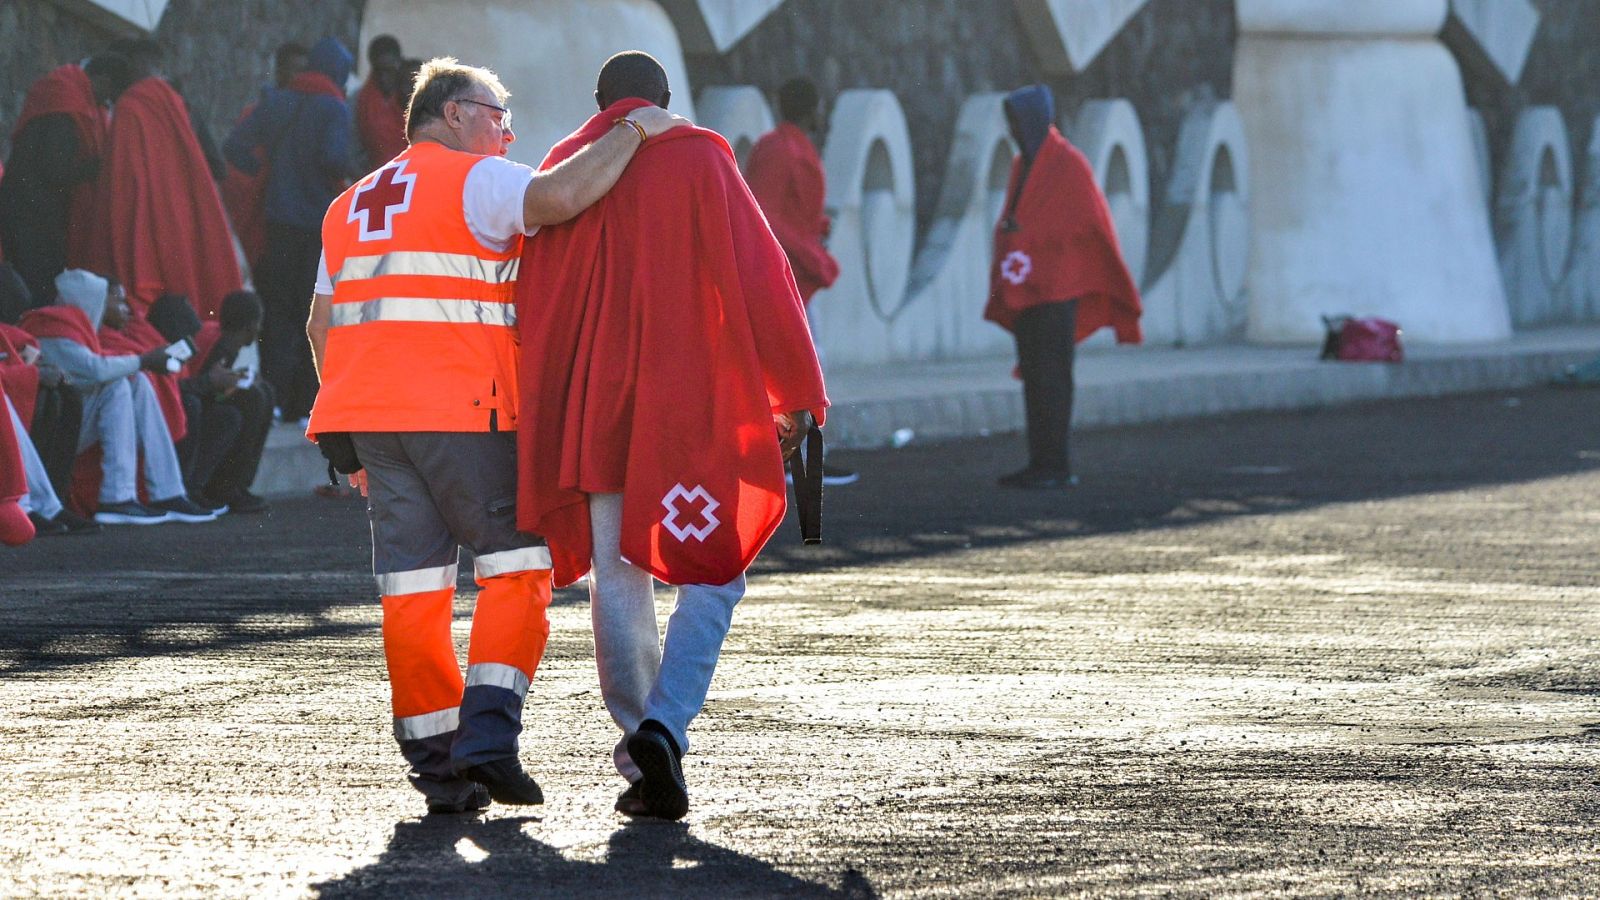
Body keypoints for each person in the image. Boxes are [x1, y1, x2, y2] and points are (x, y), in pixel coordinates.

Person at [304, 56, 689, 815]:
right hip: (463, 410)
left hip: (374, 423)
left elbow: (320, 324)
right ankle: (486, 740)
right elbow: (564, 195)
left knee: (412, 590)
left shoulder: (350, 204)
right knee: (519, 567)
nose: (507, 131)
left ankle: (437, 766)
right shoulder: (475, 179)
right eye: (496, 114)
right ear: (453, 113)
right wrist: (638, 129)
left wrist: (343, 420)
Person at [515, 52, 828, 821]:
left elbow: (535, 295)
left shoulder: (565, 165)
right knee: (716, 570)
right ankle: (665, 724)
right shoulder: (699, 156)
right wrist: (798, 393)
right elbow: (764, 274)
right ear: (662, 102)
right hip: (686, 408)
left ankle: (641, 754)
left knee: (619, 580)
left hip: (596, 410)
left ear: (603, 104)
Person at [985, 85, 1142, 489]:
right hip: (1030, 289)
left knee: (1053, 377)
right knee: (1036, 377)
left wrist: (1028, 234)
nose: (1013, 130)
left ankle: (1055, 465)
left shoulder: (1069, 165)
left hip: (1057, 290)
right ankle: (1040, 462)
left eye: (1018, 122)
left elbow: (1085, 224)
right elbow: (1016, 216)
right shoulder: (1025, 166)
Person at [19, 269, 215, 525]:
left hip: (69, 422)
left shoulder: (75, 328)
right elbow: (94, 369)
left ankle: (168, 492)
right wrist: (144, 360)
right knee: (118, 384)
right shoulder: (52, 328)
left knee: (139, 382)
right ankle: (116, 498)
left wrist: (142, 365)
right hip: (44, 432)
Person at [226, 37, 355, 424]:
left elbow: (235, 146)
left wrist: (269, 174)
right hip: (316, 229)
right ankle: (302, 406)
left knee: (276, 313)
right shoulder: (334, 107)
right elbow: (333, 158)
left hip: (276, 225)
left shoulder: (278, 101)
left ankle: (274, 398)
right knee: (311, 313)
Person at [745, 77, 858, 487]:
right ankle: (793, 459)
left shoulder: (777, 147)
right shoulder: (782, 149)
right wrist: (814, 257)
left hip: (787, 270)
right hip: (784, 273)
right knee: (798, 364)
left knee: (802, 363)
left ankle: (798, 456)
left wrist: (815, 235)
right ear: (814, 110)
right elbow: (766, 215)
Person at [76, 40, 242, 320]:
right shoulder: (176, 102)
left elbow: (121, 180)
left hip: (146, 217)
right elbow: (213, 165)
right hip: (180, 214)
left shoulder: (132, 105)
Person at [0, 53, 133, 305]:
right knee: (34, 287)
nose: (106, 102)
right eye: (109, 93)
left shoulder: (66, 94)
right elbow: (54, 168)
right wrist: (98, 168)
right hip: (31, 214)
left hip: (34, 210)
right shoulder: (65, 103)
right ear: (102, 79)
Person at [178, 290, 273, 513]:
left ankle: (237, 485)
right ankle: (224, 486)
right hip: (189, 412)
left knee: (263, 391)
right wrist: (216, 383)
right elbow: (189, 385)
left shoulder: (225, 340)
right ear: (249, 327)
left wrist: (232, 379)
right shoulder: (219, 344)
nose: (259, 329)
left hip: (201, 404)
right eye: (257, 323)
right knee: (251, 401)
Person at [222, 42, 308, 272]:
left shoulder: (308, 116)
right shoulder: (257, 112)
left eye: (304, 71)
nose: (298, 77)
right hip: (257, 210)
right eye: (294, 69)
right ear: (280, 71)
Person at [355, 35, 409, 170]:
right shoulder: (361, 100)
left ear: (399, 63)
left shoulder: (412, 95)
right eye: (379, 72)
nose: (384, 78)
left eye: (389, 71)